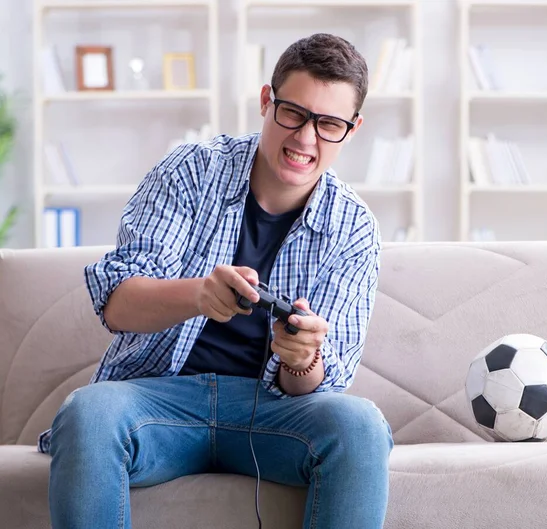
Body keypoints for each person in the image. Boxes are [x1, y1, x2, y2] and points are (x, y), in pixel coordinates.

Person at [41, 33, 393, 529]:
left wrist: (301, 359)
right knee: (88, 414)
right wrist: (199, 295)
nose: (306, 139)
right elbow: (117, 304)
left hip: (273, 413)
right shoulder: (190, 171)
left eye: (329, 124)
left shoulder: (353, 228)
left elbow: (321, 385)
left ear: (351, 131)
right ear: (267, 102)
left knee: (359, 426)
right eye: (293, 113)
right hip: (158, 399)